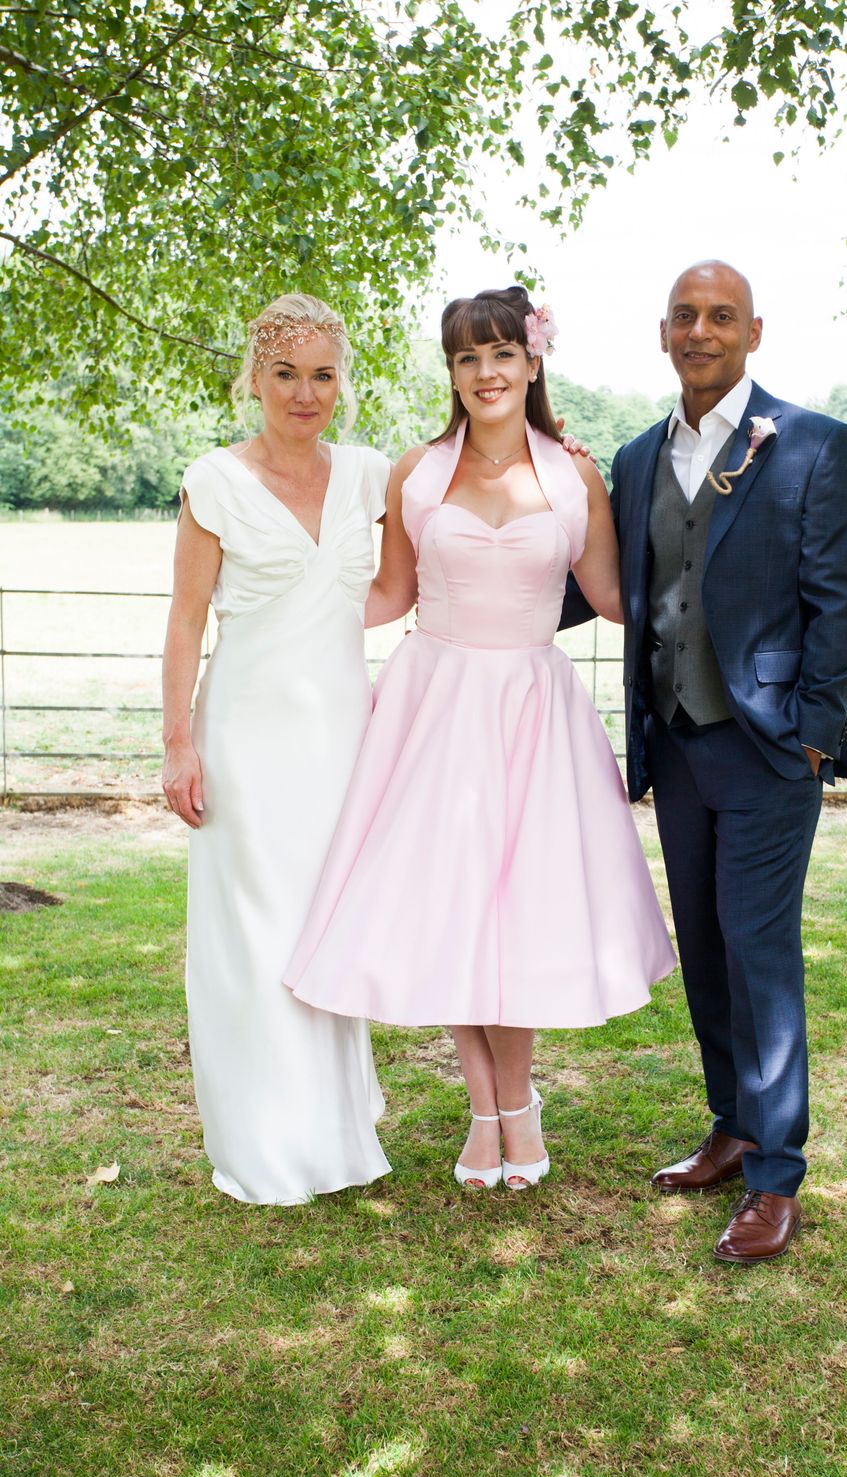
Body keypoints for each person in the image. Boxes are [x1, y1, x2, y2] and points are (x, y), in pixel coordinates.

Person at [285, 286, 675, 1190]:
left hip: (534, 712)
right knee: (451, 906)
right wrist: (284, 613)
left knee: (520, 911)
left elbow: (614, 598)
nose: (485, 372)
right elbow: (388, 594)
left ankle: (520, 1102)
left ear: (532, 362)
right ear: (453, 372)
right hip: (434, 708)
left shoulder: (573, 474)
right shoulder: (417, 472)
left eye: (502, 353)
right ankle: (484, 1110)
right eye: (467, 357)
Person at [563, 260, 847, 1261]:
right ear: (662, 334)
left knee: (758, 950)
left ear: (752, 333)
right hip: (676, 743)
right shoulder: (635, 457)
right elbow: (602, 585)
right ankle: (732, 1127)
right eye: (684, 316)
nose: (701, 330)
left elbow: (837, 602)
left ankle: (776, 1176)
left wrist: (811, 733)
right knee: (702, 944)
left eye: (720, 316)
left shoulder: (813, 444)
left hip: (770, 748)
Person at [161, 293, 391, 1204]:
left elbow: (469, 482)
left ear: (342, 381)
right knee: (256, 934)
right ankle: (263, 1139)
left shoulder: (371, 476)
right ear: (253, 379)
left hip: (340, 739)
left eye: (322, 375)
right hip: (245, 740)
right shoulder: (214, 481)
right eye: (285, 373)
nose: (305, 393)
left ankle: (334, 1130)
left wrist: (551, 444)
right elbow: (185, 624)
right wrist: (178, 744)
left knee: (325, 923)